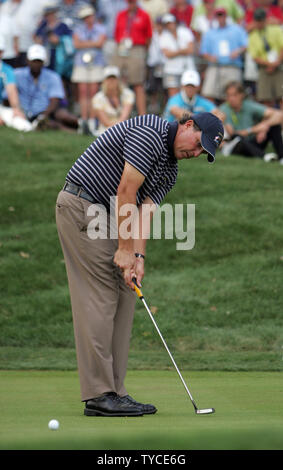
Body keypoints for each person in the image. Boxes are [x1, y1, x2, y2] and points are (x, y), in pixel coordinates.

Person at [55, 111, 224, 417]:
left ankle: (115, 393)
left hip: (109, 217)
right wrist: (123, 249)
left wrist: (137, 257)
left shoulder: (170, 171)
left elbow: (144, 213)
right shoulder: (150, 131)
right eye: (198, 144)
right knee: (101, 297)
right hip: (82, 206)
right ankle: (98, 394)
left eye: (202, 153)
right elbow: (126, 192)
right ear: (188, 125)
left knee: (125, 296)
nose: (195, 153)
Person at [14, 44, 79, 131]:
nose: (36, 64)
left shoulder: (53, 76)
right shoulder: (17, 74)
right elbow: (8, 97)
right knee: (53, 125)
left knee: (62, 115)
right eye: (34, 61)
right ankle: (73, 131)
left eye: (39, 61)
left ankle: (82, 124)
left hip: (47, 112)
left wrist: (43, 116)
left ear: (44, 62)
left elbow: (55, 100)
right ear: (27, 60)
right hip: (23, 112)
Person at [220, 81, 283, 163]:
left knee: (274, 126)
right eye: (228, 95)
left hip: (252, 141)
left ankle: (282, 157)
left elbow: (279, 115)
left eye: (234, 95)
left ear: (242, 95)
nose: (231, 99)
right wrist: (253, 130)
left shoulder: (248, 105)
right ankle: (264, 156)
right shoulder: (224, 109)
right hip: (236, 145)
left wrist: (264, 126)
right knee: (239, 139)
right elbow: (232, 133)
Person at [112, 0, 152, 116]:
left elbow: (148, 36)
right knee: (118, 82)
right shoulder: (121, 14)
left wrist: (143, 51)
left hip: (136, 48)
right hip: (121, 47)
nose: (131, 4)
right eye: (129, 2)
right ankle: (120, 115)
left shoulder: (144, 15)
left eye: (132, 2)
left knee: (138, 83)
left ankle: (142, 116)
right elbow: (116, 34)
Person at [71, 4, 107, 135]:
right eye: (85, 17)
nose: (88, 19)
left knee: (93, 91)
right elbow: (76, 44)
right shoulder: (78, 28)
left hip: (96, 62)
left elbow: (100, 43)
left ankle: (92, 122)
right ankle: (83, 121)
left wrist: (84, 44)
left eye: (89, 16)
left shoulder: (101, 28)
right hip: (81, 63)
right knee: (83, 91)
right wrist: (92, 44)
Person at [200, 7, 248, 103]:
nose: (220, 17)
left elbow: (245, 45)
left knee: (232, 94)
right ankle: (211, 117)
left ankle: (229, 117)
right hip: (215, 66)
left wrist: (237, 52)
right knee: (208, 93)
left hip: (232, 66)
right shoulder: (210, 33)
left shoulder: (237, 30)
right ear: (215, 17)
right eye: (218, 15)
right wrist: (210, 57)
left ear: (226, 16)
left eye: (222, 15)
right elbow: (204, 52)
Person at [248, 8, 283, 107]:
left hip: (279, 66)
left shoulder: (276, 29)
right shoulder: (253, 35)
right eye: (257, 21)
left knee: (281, 97)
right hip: (264, 69)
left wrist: (276, 62)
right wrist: (270, 64)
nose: (259, 23)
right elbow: (254, 56)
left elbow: (282, 47)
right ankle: (271, 122)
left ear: (265, 20)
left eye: (261, 21)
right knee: (265, 99)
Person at [0, 35, 32, 131]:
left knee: (22, 124)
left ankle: (35, 126)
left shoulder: (6, 70)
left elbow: (12, 90)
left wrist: (16, 109)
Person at [159, 13, 195, 97]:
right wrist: (182, 51)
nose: (170, 25)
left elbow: (191, 49)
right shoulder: (163, 37)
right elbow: (167, 54)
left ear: (175, 22)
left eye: (171, 22)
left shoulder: (185, 32)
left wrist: (175, 52)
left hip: (187, 68)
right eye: (167, 24)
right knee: (173, 96)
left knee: (188, 94)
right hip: (171, 70)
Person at [92, 65, 135, 134]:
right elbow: (105, 122)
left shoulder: (128, 94)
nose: (111, 81)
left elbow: (124, 117)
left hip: (124, 128)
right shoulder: (98, 98)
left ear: (118, 80)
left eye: (114, 78)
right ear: (104, 81)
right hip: (106, 130)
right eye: (109, 78)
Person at [34, 3, 73, 74]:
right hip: (47, 54)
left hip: (60, 54)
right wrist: (39, 40)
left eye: (51, 14)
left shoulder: (62, 26)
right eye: (47, 15)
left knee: (60, 74)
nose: (50, 17)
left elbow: (69, 39)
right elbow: (36, 36)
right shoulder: (43, 25)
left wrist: (60, 40)